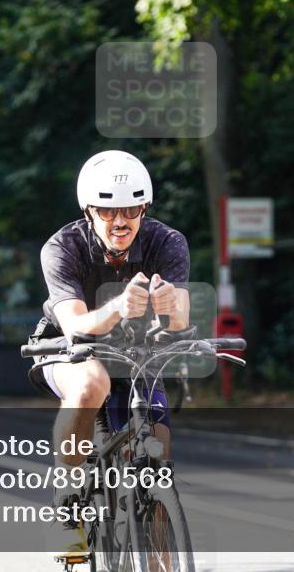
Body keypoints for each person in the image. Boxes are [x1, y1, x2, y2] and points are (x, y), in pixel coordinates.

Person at [27, 150, 193, 557]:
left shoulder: (167, 242)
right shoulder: (62, 247)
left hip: (134, 349)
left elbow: (181, 319)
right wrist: (118, 306)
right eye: (107, 211)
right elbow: (76, 326)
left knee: (158, 447)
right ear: (89, 211)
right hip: (68, 347)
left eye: (130, 210)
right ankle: (68, 500)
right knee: (91, 384)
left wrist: (170, 306)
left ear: (144, 208)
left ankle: (156, 549)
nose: (120, 221)